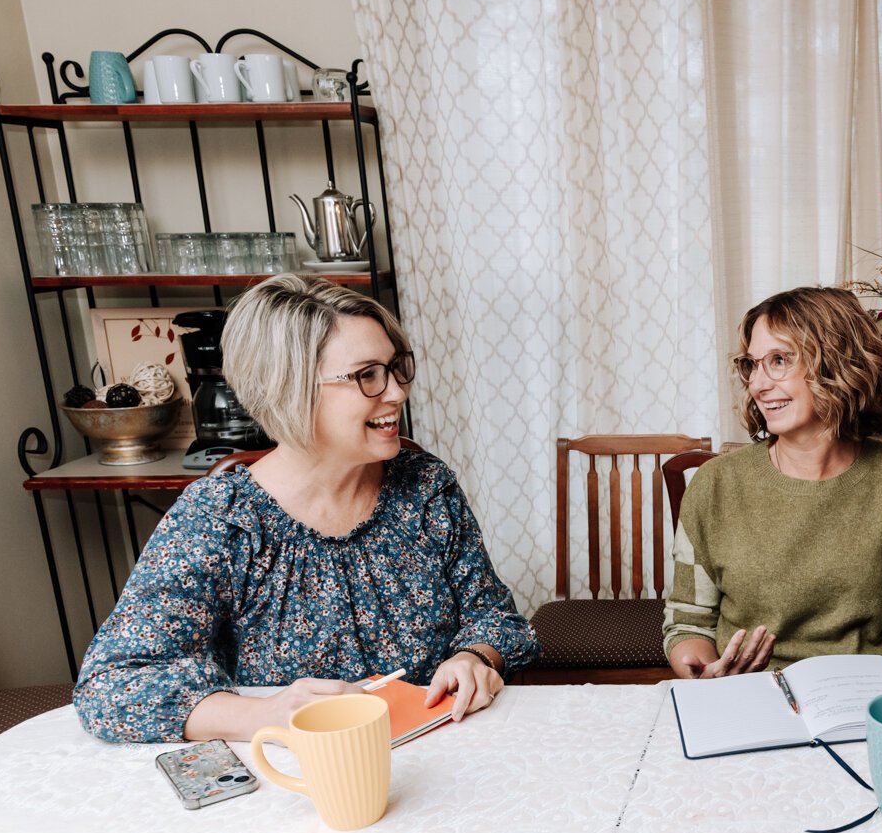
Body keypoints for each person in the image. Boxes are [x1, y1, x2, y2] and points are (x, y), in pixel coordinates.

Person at [74, 275, 537, 743]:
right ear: (289, 389)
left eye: (396, 368)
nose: (397, 392)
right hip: (300, 782)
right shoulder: (221, 520)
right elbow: (111, 685)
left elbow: (494, 617)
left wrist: (475, 658)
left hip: (445, 757)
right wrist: (260, 715)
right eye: (367, 375)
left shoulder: (426, 486)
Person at [663, 286, 882, 680]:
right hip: (747, 699)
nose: (758, 384)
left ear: (837, 362)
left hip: (872, 704)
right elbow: (689, 621)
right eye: (753, 364)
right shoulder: (715, 485)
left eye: (778, 360)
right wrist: (703, 670)